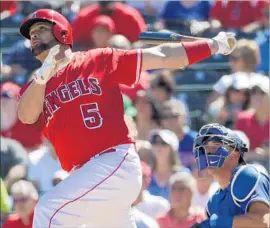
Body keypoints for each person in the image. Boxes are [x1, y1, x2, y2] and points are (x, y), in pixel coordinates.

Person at [17, 9, 236, 227]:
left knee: (49, 210)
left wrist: (213, 45)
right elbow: (26, 116)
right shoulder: (35, 87)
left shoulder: (98, 59)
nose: (34, 35)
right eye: (31, 33)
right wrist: (42, 76)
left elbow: (162, 56)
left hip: (112, 162)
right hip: (85, 177)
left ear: (62, 32)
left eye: (41, 28)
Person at [191, 123, 269, 228]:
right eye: (205, 148)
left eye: (214, 146)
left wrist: (214, 223)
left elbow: (263, 222)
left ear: (235, 155)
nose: (207, 152)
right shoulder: (213, 203)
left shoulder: (247, 175)